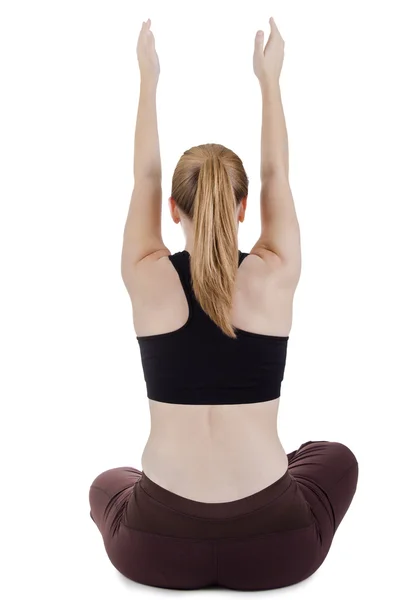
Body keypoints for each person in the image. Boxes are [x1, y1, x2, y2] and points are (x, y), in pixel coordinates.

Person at [88, 17, 358, 591]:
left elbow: (143, 176)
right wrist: (269, 80)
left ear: (171, 209)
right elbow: (276, 174)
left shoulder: (146, 274)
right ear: (242, 209)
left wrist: (147, 79)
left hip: (154, 547)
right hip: (278, 547)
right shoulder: (274, 272)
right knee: (333, 457)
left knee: (108, 482)